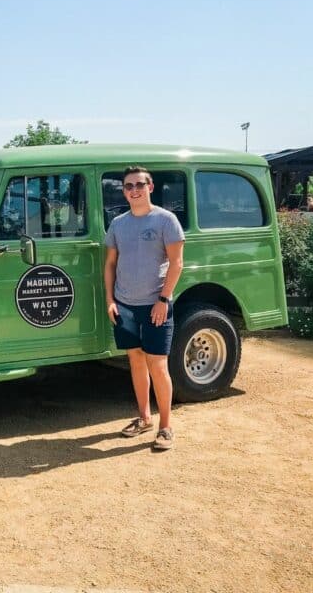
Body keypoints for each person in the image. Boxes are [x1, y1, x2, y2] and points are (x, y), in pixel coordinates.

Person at [104, 166, 185, 450]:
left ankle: (165, 426)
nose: (134, 190)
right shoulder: (118, 224)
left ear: (150, 187)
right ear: (123, 190)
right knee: (136, 360)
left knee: (158, 364)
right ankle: (143, 417)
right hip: (124, 305)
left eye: (140, 184)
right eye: (128, 186)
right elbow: (111, 264)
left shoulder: (166, 220)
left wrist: (163, 300)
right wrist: (110, 300)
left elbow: (176, 263)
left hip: (156, 306)